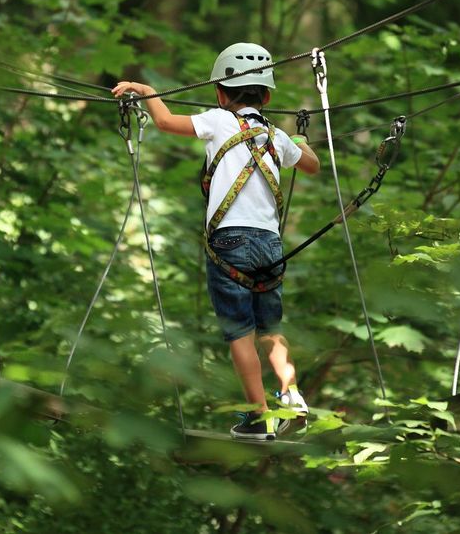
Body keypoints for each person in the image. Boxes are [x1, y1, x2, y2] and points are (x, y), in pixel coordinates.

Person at [112, 42, 320, 440]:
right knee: (269, 326)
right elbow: (311, 166)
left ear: (221, 95)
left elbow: (167, 122)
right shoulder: (277, 136)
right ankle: (291, 392)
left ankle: (259, 416)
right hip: (270, 247)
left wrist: (145, 90)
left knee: (239, 331)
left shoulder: (217, 121)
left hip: (230, 245)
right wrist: (302, 143)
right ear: (268, 96)